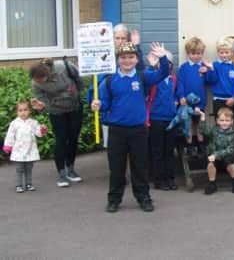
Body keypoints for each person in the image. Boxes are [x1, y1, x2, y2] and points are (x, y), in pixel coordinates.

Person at [91, 42, 169, 213]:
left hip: (138, 130)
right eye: (123, 57)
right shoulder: (110, 81)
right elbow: (104, 104)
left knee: (140, 166)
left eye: (131, 57)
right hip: (117, 130)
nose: (127, 61)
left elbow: (163, 73)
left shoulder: (143, 77)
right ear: (118, 60)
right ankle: (114, 199)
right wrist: (98, 105)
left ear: (136, 59)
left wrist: (162, 57)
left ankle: (143, 198)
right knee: (116, 168)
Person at [30, 57, 83, 188]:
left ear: (46, 74)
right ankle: (61, 172)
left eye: (40, 79)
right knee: (61, 139)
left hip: (74, 107)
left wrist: (77, 92)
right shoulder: (36, 83)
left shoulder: (63, 67)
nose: (38, 82)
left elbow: (78, 78)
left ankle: (71, 168)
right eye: (36, 80)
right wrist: (42, 104)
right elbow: (41, 98)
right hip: (56, 111)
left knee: (73, 138)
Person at [147, 50, 178, 191]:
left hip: (171, 118)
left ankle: (170, 178)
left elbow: (178, 93)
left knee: (169, 151)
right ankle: (158, 180)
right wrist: (150, 66)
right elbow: (145, 80)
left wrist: (178, 100)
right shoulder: (153, 79)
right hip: (156, 118)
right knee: (157, 151)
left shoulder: (174, 80)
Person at [3, 100, 48, 193]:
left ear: (29, 111)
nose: (23, 112)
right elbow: (10, 135)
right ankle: (19, 185)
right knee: (19, 169)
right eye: (20, 110)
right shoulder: (14, 124)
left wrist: (42, 129)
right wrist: (8, 146)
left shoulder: (33, 123)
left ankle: (29, 184)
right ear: (17, 112)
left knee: (28, 169)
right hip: (18, 151)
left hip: (30, 150)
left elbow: (38, 133)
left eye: (25, 110)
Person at [176, 36, 210, 144]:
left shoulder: (204, 66)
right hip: (186, 102)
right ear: (188, 53)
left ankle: (201, 144)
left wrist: (208, 72)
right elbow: (180, 83)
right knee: (188, 123)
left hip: (200, 102)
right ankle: (189, 145)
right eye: (193, 53)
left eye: (199, 53)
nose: (196, 56)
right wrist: (181, 96)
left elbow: (211, 81)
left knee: (200, 123)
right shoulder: (184, 67)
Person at [199, 107, 234, 195]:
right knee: (210, 164)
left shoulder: (233, 134)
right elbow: (203, 131)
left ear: (232, 121)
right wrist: (202, 117)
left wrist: (216, 155)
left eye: (227, 120)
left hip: (227, 155)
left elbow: (231, 149)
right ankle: (212, 184)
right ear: (217, 121)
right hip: (214, 155)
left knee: (231, 164)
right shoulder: (214, 130)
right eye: (222, 120)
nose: (224, 122)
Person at [207, 37, 234, 116]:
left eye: (226, 52)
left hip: (231, 99)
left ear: (231, 53)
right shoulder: (214, 65)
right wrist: (211, 69)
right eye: (221, 53)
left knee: (230, 121)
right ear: (218, 53)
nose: (224, 55)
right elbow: (211, 80)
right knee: (219, 121)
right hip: (218, 99)